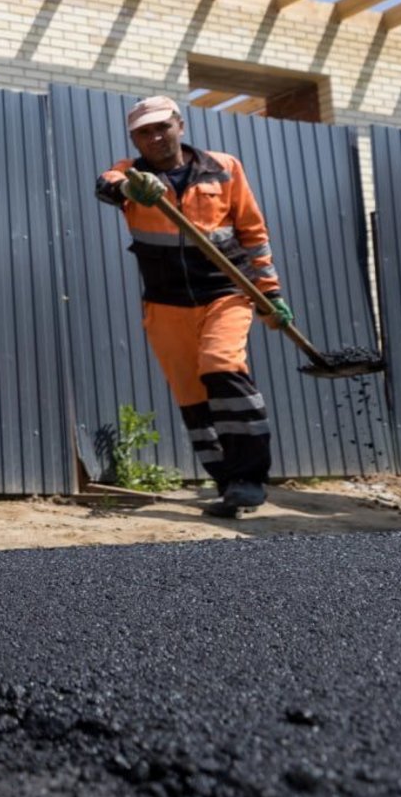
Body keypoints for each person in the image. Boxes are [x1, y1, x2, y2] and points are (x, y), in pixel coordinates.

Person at [95, 96, 294, 518]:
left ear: (179, 125)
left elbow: (253, 233)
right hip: (166, 303)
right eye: (143, 132)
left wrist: (270, 295)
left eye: (161, 127)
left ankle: (250, 477)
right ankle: (227, 483)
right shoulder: (130, 172)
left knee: (221, 366)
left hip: (226, 291)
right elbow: (106, 183)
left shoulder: (223, 167)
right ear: (134, 138)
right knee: (192, 395)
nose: (154, 137)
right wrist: (130, 187)